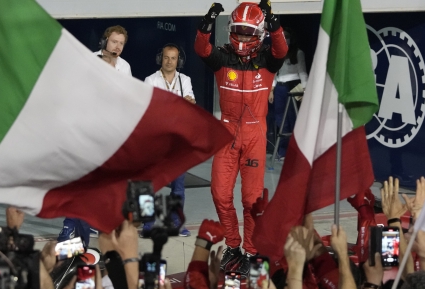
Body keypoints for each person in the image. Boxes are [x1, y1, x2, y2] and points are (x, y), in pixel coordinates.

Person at [194, 0, 288, 274]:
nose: (243, 37)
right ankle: (233, 247)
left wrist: (276, 26)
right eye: (239, 31)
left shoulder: (268, 60)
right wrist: (206, 23)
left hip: (255, 135)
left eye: (249, 32)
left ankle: (252, 251)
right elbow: (202, 48)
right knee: (220, 194)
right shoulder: (223, 58)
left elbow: (281, 49)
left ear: (259, 33)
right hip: (226, 133)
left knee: (251, 200)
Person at [58, 25, 132, 246]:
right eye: (114, 41)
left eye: (121, 43)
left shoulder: (125, 67)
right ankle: (68, 227)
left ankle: (90, 226)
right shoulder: (88, 61)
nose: (117, 47)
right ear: (105, 41)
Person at [141, 44, 195, 237]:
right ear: (160, 59)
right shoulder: (150, 80)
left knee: (178, 187)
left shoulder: (185, 80)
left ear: (178, 61)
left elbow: (191, 106)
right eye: (166, 57)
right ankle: (147, 224)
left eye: (173, 58)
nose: (169, 61)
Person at [268, 27, 308, 160]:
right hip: (280, 87)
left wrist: (305, 89)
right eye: (283, 36)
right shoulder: (276, 53)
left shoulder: (298, 53)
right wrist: (271, 90)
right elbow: (273, 72)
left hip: (294, 86)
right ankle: (283, 151)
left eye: (287, 36)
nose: (285, 39)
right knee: (280, 118)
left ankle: (296, 151)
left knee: (293, 117)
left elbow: (302, 71)